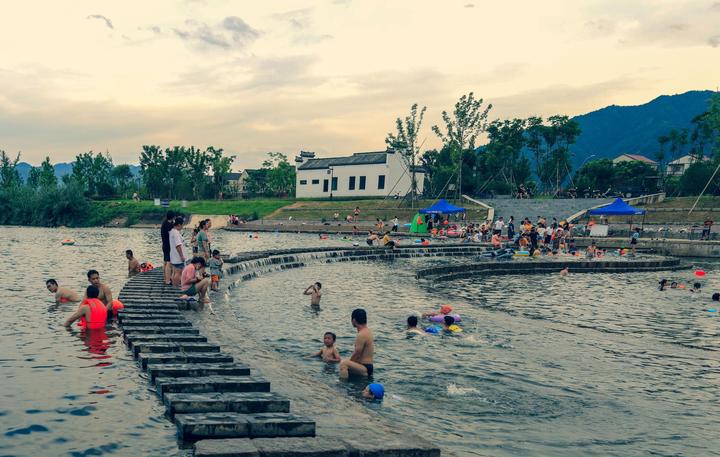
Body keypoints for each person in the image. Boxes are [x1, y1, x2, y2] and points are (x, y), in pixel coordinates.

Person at [339, 308, 374, 379]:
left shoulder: (361, 334)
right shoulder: (367, 331)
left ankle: (342, 386)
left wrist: (349, 364)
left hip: (365, 368)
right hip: (367, 366)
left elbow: (357, 353)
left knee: (343, 364)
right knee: (346, 364)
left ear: (354, 320)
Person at [170, 216, 187, 286]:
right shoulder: (176, 233)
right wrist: (182, 256)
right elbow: (178, 245)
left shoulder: (172, 231)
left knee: (175, 272)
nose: (183, 226)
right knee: (178, 273)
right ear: (179, 224)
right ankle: (175, 287)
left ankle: (174, 286)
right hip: (178, 258)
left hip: (173, 256)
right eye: (183, 225)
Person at [161, 211, 176, 285]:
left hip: (164, 245)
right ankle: (167, 280)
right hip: (168, 245)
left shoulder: (165, 222)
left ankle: (165, 278)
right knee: (169, 263)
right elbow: (172, 233)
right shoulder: (168, 225)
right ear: (173, 217)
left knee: (165, 262)